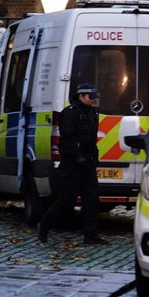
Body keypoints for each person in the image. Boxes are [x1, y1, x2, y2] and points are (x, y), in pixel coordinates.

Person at [37, 83, 107, 245]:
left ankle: (91, 235)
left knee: (92, 200)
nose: (93, 101)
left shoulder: (90, 112)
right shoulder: (70, 113)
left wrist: (93, 159)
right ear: (81, 96)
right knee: (65, 202)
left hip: (87, 164)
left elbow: (91, 140)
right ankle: (44, 226)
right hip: (72, 165)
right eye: (90, 98)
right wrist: (77, 157)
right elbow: (67, 140)